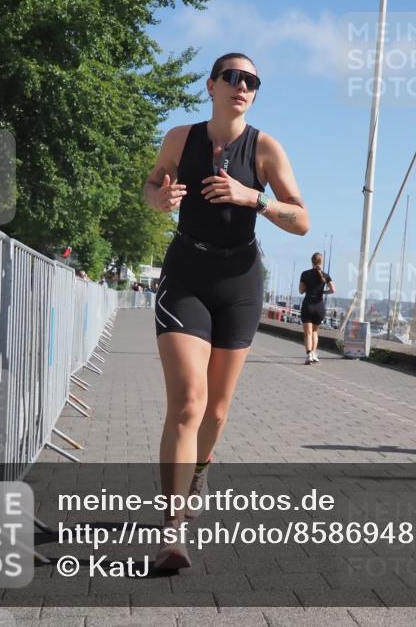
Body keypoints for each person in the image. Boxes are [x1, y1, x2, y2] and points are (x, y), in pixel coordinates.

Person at [143, 53, 309, 569]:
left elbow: (301, 219)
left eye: (252, 81)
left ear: (255, 93)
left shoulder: (264, 148)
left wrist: (251, 197)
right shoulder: (179, 138)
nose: (241, 86)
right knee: (189, 403)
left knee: (216, 410)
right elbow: (151, 186)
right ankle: (172, 528)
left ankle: (200, 468)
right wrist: (162, 199)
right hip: (186, 273)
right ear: (212, 84)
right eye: (233, 77)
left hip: (239, 282)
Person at [298, 252, 335, 364]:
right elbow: (333, 290)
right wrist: (323, 291)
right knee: (315, 331)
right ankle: (314, 353)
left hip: (308, 305)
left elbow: (301, 291)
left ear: (312, 261)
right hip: (319, 306)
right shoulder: (325, 275)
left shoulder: (305, 274)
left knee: (308, 333)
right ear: (321, 262)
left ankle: (309, 354)